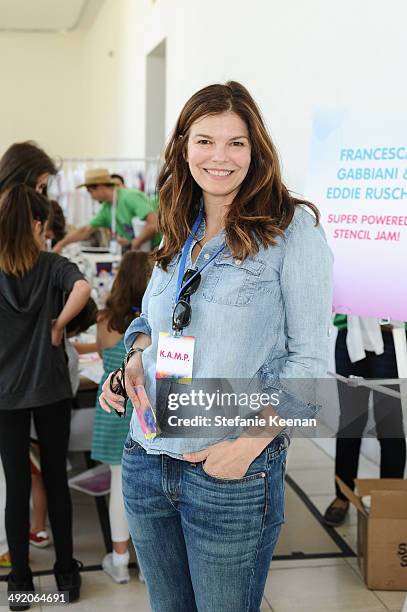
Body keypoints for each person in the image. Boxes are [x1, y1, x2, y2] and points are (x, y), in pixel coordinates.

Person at [100, 81, 333, 612]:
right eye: (205, 140)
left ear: (257, 150)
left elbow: (312, 364)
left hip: (228, 469)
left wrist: (247, 446)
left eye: (236, 142)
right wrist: (135, 356)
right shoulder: (180, 222)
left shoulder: (291, 231)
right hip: (147, 456)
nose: (220, 157)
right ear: (184, 146)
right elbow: (155, 318)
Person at [0, 183, 90, 609]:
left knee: (16, 486)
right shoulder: (53, 264)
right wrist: (58, 327)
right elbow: (84, 290)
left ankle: (20, 584)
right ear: (37, 224)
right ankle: (65, 576)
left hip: (4, 393)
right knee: (56, 479)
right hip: (51, 387)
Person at [91, 251, 151, 584]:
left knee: (119, 483)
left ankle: (118, 559)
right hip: (144, 407)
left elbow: (102, 354)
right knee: (145, 489)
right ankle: (145, 563)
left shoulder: (105, 321)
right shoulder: (155, 321)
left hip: (114, 407)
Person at [323, 315, 406, 526]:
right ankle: (342, 496)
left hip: (390, 336)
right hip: (351, 334)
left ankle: (388, 501)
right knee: (350, 422)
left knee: (390, 424)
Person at [29, 298, 98, 549]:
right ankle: (38, 527)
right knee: (44, 479)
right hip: (52, 425)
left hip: (28, 423)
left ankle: (37, 528)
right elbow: (71, 390)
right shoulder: (68, 355)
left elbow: (72, 345)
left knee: (38, 478)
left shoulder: (38, 339)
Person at [52, 168, 159, 252]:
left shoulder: (130, 197)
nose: (91, 197)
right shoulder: (107, 208)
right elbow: (86, 230)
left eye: (90, 192)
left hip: (157, 250)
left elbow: (153, 223)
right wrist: (61, 244)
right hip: (140, 252)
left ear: (100, 187)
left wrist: (135, 243)